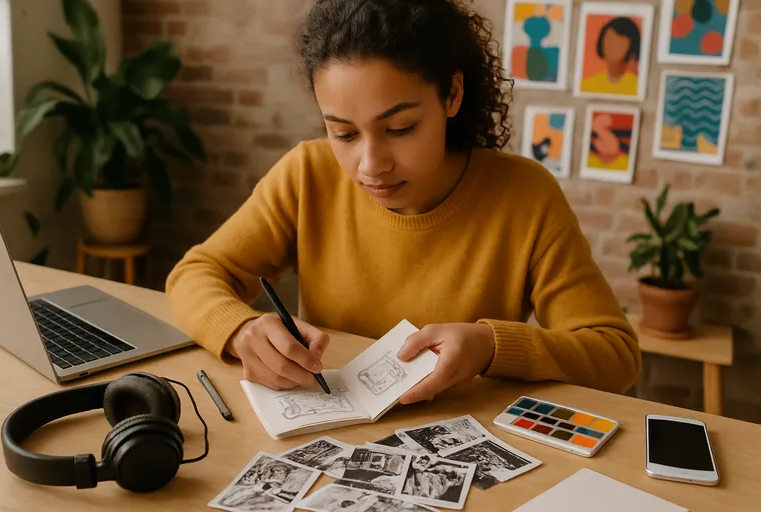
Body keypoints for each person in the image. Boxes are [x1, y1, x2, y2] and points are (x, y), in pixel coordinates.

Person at [165, 0, 641, 403]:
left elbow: (615, 355)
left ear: (451, 94)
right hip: (325, 438)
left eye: (399, 129)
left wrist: (491, 346)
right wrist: (241, 331)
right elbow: (195, 274)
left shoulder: (525, 196)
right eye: (343, 133)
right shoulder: (307, 175)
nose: (370, 166)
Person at [581, 16, 641, 96]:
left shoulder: (636, 85)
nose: (612, 49)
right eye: (610, 41)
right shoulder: (587, 85)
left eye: (619, 45)